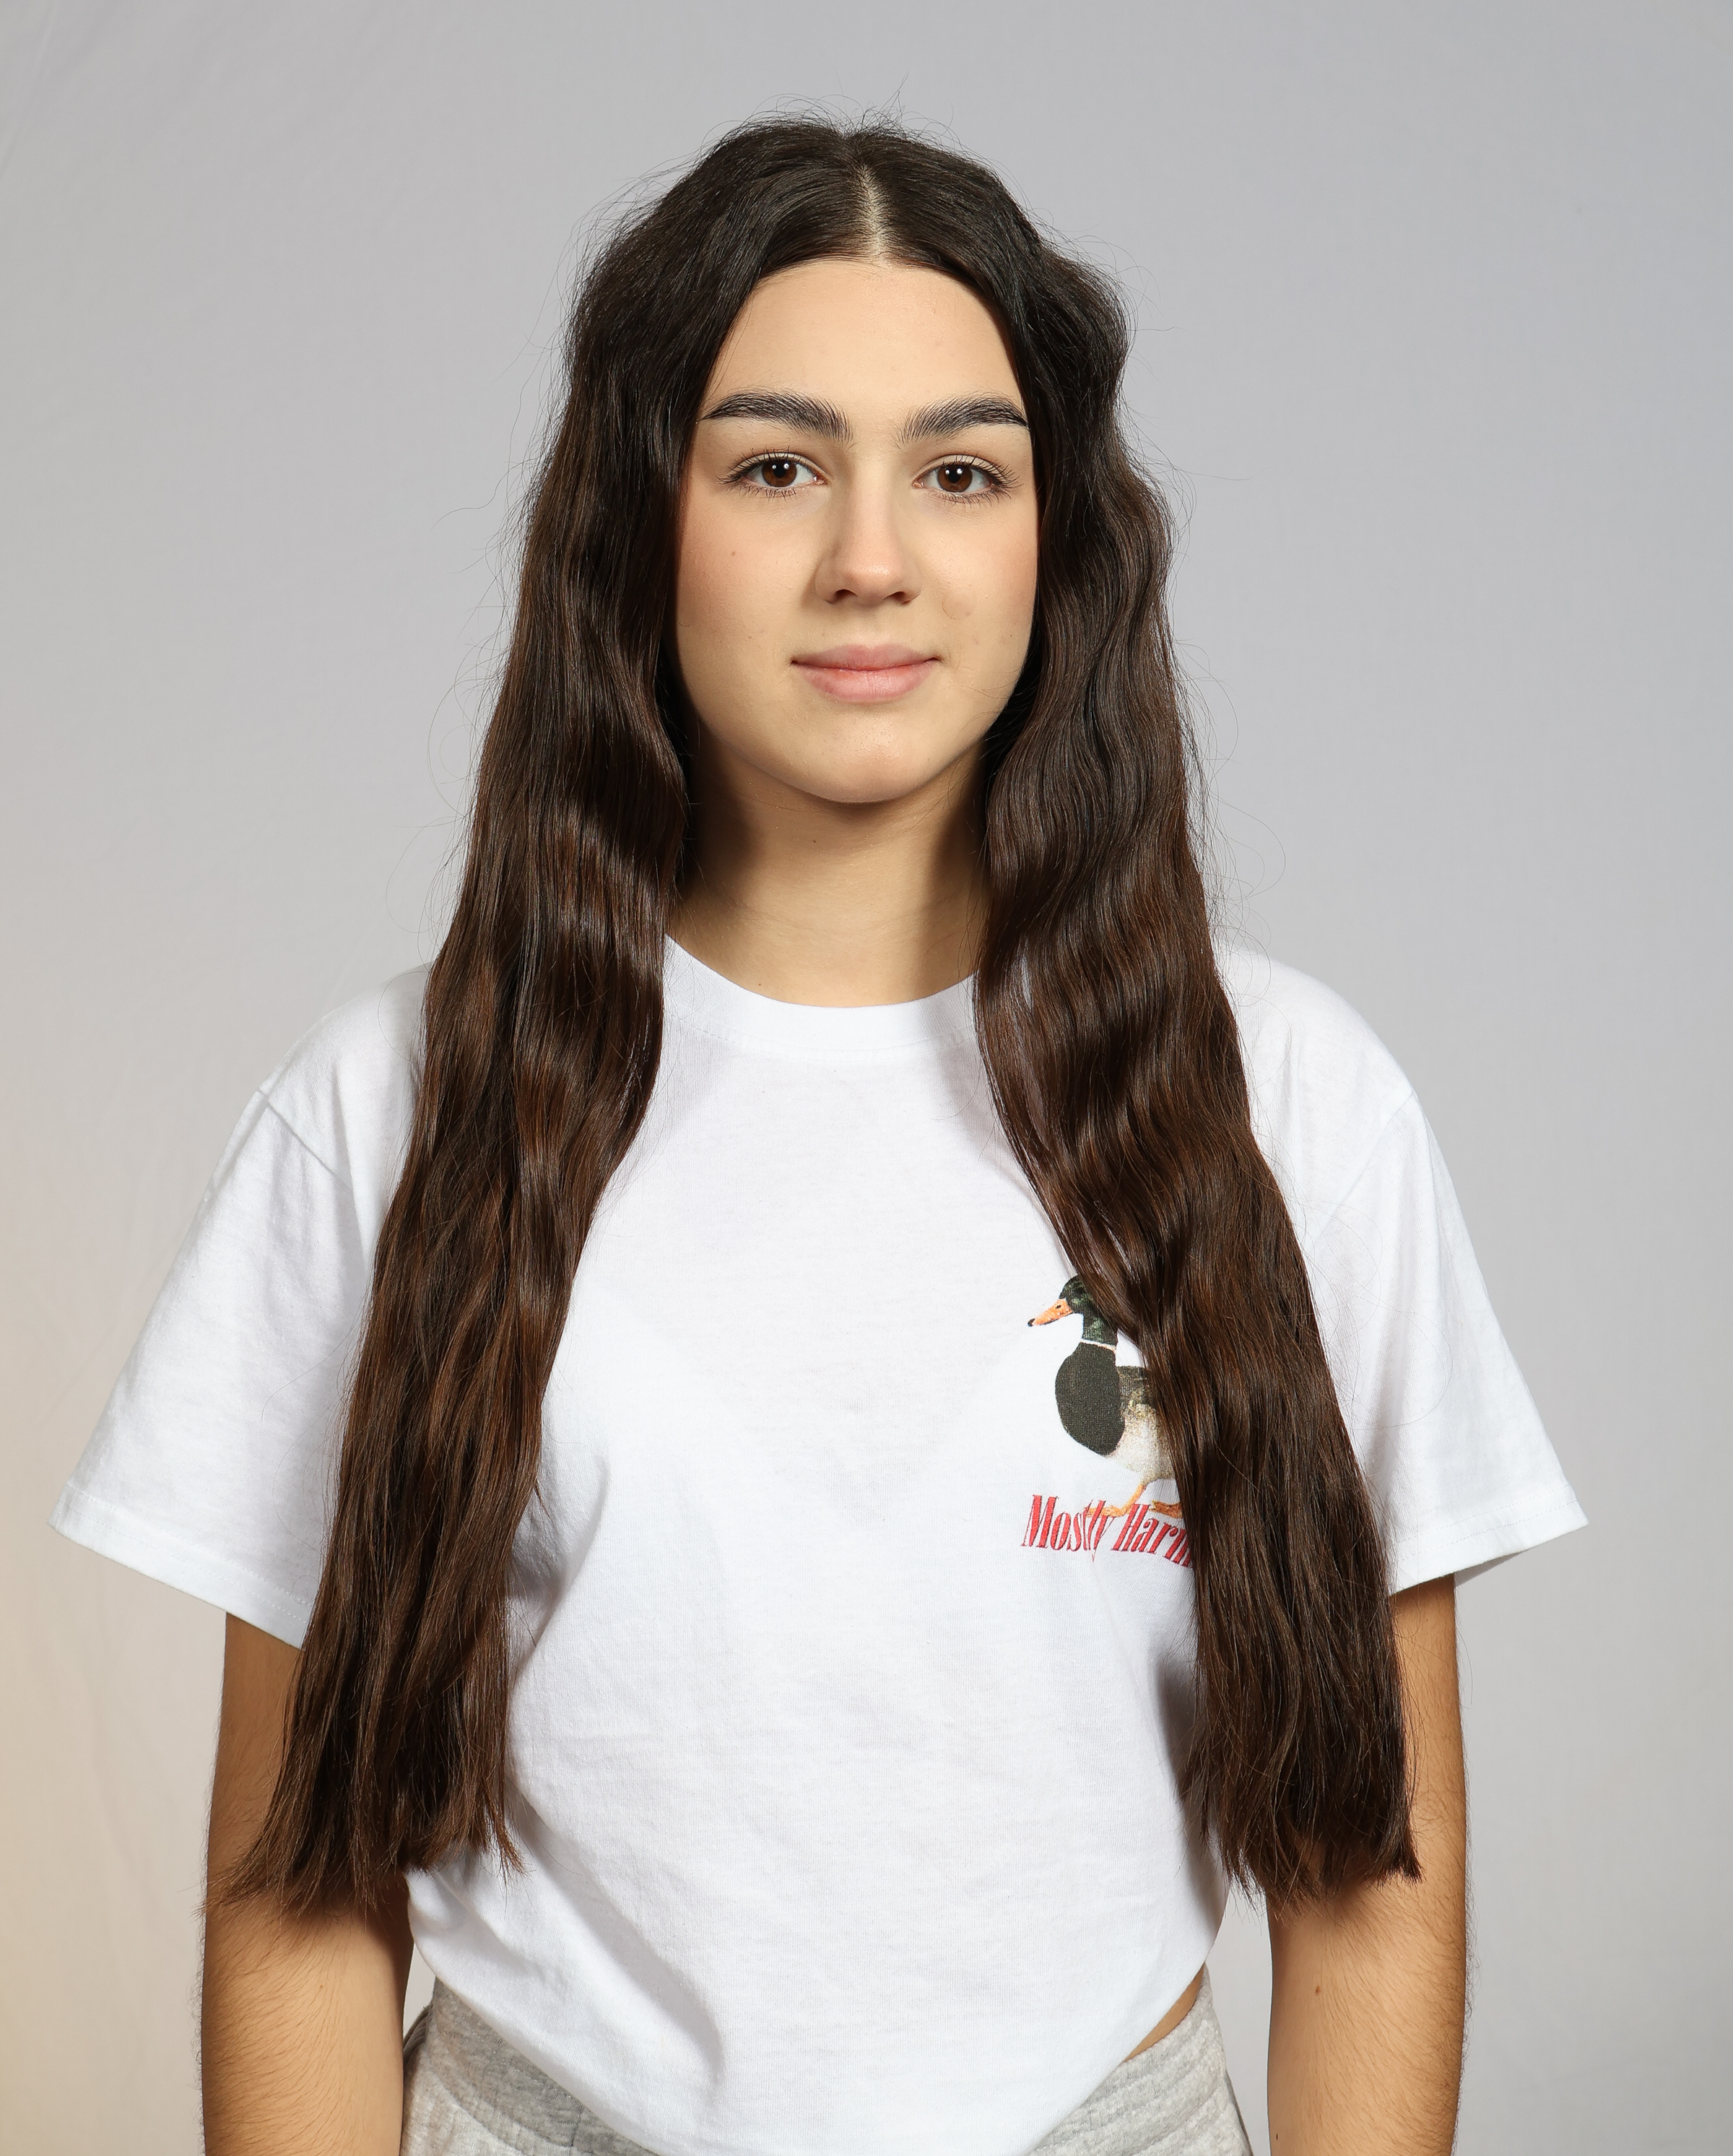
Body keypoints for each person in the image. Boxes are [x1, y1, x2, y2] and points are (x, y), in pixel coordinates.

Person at [53, 118, 1583, 2156]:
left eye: (962, 472)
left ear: (1056, 541)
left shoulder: (1293, 1107)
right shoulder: (385, 1115)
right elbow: (299, 1896)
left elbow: (1371, 1870)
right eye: (776, 467)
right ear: (642, 524)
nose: (874, 557)